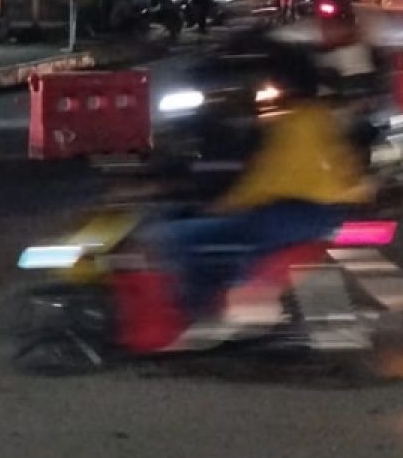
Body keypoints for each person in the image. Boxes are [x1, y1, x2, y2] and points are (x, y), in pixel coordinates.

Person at [153, 46, 373, 321]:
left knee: (183, 238)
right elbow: (345, 165)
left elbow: (265, 181)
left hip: (293, 214)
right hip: (319, 213)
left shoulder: (292, 124)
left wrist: (222, 207)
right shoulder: (318, 116)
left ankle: (197, 312)